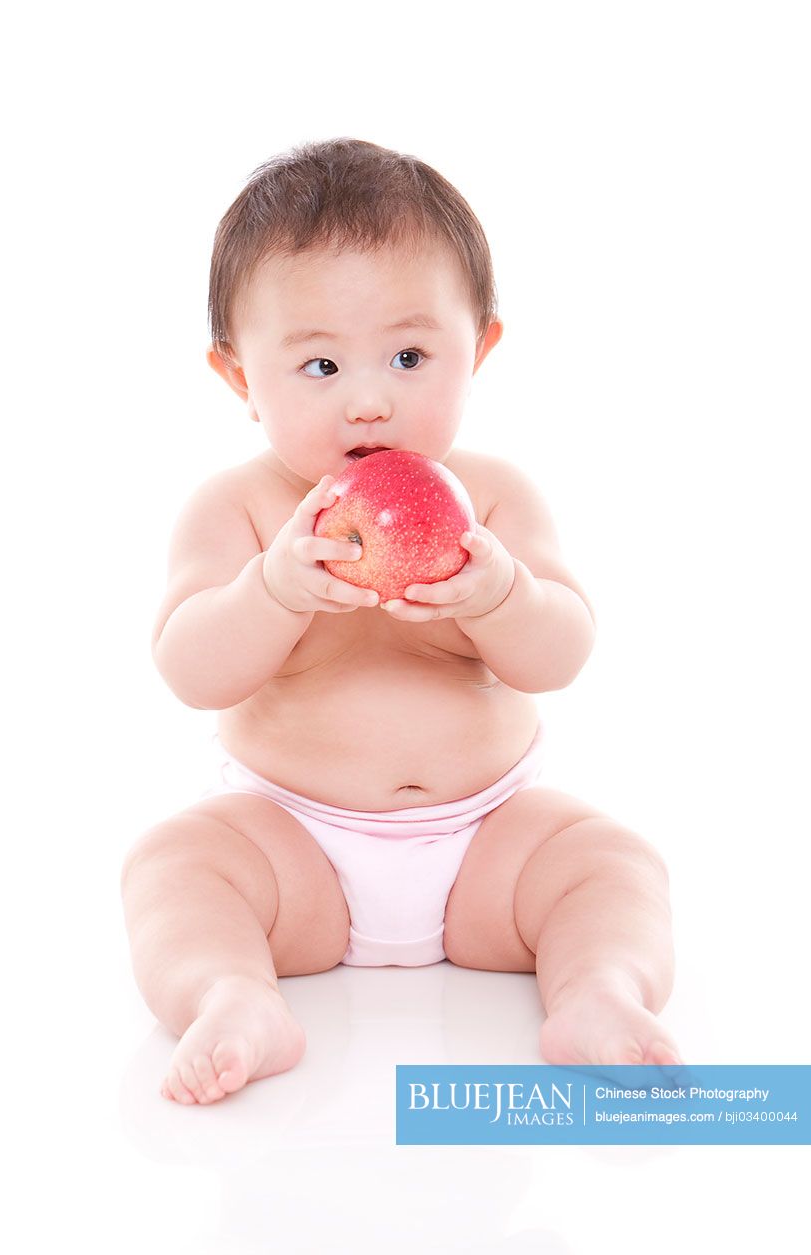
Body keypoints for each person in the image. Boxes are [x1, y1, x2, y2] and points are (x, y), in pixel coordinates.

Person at [121, 138, 680, 1106]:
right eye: (320, 364)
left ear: (481, 351)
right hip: (295, 846)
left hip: (486, 844)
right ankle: (233, 994)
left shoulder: (493, 498)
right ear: (238, 378)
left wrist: (498, 594)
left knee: (607, 861)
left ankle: (597, 991)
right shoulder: (243, 512)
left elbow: (562, 649)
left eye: (409, 356)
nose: (368, 398)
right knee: (174, 866)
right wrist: (274, 591)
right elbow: (188, 666)